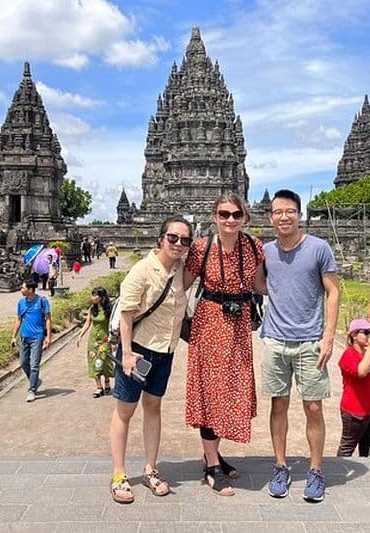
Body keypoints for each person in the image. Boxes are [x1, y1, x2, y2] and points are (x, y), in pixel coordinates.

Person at [260, 188, 340, 502]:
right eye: (278, 212)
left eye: (289, 211)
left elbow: (333, 292)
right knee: (278, 405)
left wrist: (329, 338)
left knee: (314, 407)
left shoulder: (319, 248)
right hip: (277, 339)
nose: (284, 217)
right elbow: (259, 283)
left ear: (299, 214)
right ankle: (280, 466)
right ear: (271, 217)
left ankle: (316, 470)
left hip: (310, 341)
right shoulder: (265, 251)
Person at [183, 193, 265, 497]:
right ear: (214, 216)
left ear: (244, 217)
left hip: (239, 324)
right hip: (209, 325)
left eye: (235, 214)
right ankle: (212, 466)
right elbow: (182, 285)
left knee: (232, 390)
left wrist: (300, 286)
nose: (230, 220)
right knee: (212, 392)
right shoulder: (202, 249)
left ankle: (212, 455)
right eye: (223, 214)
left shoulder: (253, 247)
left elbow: (259, 285)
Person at [108, 216, 190, 504]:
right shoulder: (142, 270)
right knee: (125, 411)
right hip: (138, 351)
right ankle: (119, 474)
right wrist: (127, 354)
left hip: (164, 351)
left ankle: (150, 469)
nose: (179, 244)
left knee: (153, 407)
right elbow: (126, 315)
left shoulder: (182, 270)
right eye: (173, 238)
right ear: (161, 239)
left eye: (185, 240)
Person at [337, 318, 370, 457]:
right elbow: (361, 372)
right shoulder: (349, 354)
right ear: (354, 335)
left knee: (367, 448)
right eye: (366, 332)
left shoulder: (367, 354)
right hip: (355, 411)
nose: (369, 336)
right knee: (348, 446)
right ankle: (339, 472)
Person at [11, 278, 52, 403]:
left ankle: (32, 390)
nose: (21, 290)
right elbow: (18, 320)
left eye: (23, 288)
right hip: (24, 337)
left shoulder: (42, 301)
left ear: (30, 289)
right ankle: (35, 381)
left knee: (34, 365)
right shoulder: (21, 303)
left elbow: (48, 319)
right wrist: (13, 336)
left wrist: (48, 337)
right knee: (23, 363)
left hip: (37, 338)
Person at [76, 287, 114, 397]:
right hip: (93, 340)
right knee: (93, 361)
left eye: (95, 295)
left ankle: (107, 383)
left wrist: (115, 339)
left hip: (105, 339)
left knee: (104, 360)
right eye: (92, 295)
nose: (92, 298)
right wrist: (80, 336)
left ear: (101, 297)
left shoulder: (109, 309)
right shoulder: (92, 309)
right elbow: (87, 324)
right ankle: (98, 387)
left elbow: (113, 324)